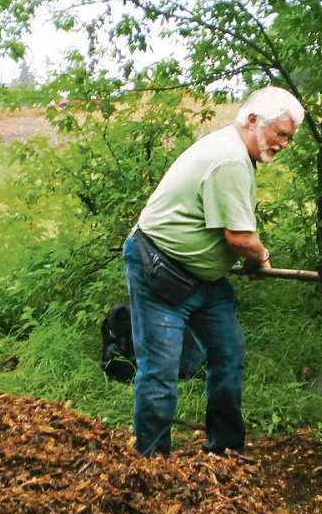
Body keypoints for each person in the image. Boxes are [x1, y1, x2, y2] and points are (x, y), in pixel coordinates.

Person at [122, 86, 305, 456]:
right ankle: (152, 466)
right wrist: (260, 258)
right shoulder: (230, 159)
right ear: (253, 121)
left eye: (289, 137)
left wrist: (248, 257)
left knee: (228, 353)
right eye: (280, 133)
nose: (284, 144)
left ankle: (224, 449)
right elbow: (239, 239)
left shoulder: (236, 151)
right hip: (161, 271)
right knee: (161, 370)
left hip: (205, 279)